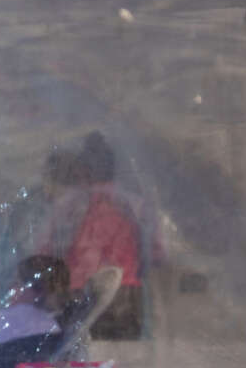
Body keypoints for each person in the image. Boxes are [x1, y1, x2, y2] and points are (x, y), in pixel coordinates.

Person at [37, 132, 158, 339]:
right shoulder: (136, 206)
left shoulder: (68, 206)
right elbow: (155, 255)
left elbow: (45, 255)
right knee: (123, 365)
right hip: (128, 299)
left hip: (79, 300)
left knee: (81, 364)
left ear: (83, 171)